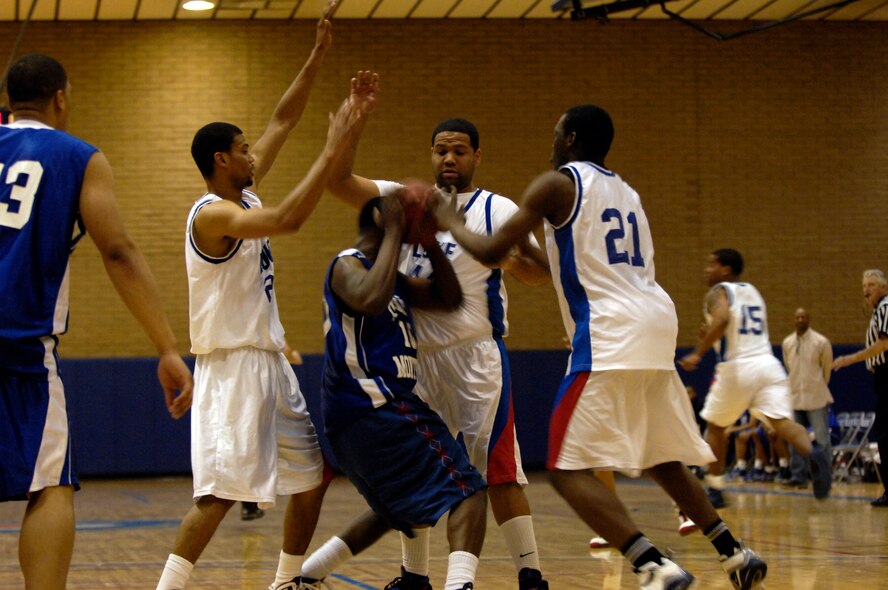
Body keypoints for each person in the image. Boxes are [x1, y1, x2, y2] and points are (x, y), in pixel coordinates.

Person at [436, 104, 766, 590]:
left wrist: (450, 218)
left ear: (570, 139)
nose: (551, 143)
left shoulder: (556, 184)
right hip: (655, 321)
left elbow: (487, 251)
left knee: (565, 471)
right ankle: (734, 553)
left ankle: (653, 564)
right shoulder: (626, 191)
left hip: (610, 331)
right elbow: (553, 259)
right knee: (660, 454)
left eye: (554, 134)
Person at [155, 7, 370, 590]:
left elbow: (281, 120)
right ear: (222, 160)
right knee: (220, 496)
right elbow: (289, 219)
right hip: (231, 368)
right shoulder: (214, 215)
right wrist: (333, 151)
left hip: (270, 362)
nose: (255, 155)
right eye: (244, 150)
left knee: (310, 479)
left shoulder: (242, 198)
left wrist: (317, 55)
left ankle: (286, 582)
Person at [315, 103, 550, 589]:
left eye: (459, 151)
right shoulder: (405, 201)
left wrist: (504, 261)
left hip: (476, 355)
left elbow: (538, 272)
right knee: (422, 472)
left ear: (476, 157)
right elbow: (338, 181)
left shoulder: (495, 208)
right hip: (415, 360)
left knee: (499, 472)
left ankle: (531, 575)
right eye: (441, 150)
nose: (449, 159)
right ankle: (414, 576)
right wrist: (351, 129)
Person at [0, 53, 193, 590]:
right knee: (50, 486)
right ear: (61, 98)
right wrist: (167, 347)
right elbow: (119, 253)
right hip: (19, 346)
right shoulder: (77, 156)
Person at [321, 193, 487, 590]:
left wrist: (429, 241)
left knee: (399, 511)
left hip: (361, 416)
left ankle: (307, 576)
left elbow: (450, 298)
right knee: (470, 491)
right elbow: (369, 299)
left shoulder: (389, 278)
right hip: (376, 404)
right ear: (381, 218)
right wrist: (397, 227)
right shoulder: (348, 264)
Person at [679, 249, 832, 508]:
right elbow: (730, 324)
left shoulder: (718, 292)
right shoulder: (753, 291)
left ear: (726, 270)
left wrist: (698, 352)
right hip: (768, 365)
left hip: (738, 366)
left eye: (712, 264)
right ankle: (814, 453)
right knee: (781, 423)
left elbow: (723, 319)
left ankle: (715, 490)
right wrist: (711, 334)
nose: (707, 270)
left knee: (716, 428)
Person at [833, 269, 888, 506]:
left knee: (885, 435)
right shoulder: (879, 310)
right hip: (881, 377)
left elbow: (883, 345)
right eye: (864, 285)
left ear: (884, 287)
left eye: (872, 285)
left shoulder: (886, 307)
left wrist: (850, 359)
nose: (866, 290)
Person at [781, 307, 834, 488]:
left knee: (821, 439)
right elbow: (789, 368)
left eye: (804, 317)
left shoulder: (821, 342)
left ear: (808, 319)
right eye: (798, 317)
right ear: (794, 320)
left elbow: (827, 369)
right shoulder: (787, 343)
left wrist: (819, 385)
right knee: (796, 439)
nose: (801, 319)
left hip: (816, 397)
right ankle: (798, 476)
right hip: (795, 397)